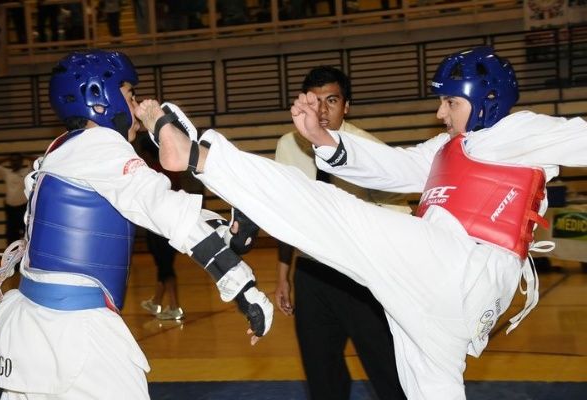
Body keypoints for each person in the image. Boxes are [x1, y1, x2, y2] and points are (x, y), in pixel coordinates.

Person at [136, 46, 587, 399]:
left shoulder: (517, 132)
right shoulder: (444, 150)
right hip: (440, 299)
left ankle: (199, 156)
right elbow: (393, 166)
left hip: (463, 265)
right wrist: (322, 138)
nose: (440, 114)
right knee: (429, 391)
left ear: (486, 101)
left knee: (336, 215)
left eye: (450, 102)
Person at [0, 50, 272, 400]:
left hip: (31, 329)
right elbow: (164, 209)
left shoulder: (60, 150)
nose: (137, 105)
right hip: (80, 336)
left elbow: (144, 207)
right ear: (100, 97)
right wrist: (244, 287)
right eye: (130, 93)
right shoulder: (103, 146)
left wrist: (222, 230)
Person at [274, 65, 406, 400]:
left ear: (345, 106)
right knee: (321, 375)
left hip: (362, 274)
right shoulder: (288, 146)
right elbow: (288, 216)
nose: (322, 110)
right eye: (314, 101)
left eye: (331, 101)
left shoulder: (368, 148)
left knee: (387, 370)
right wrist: (283, 274)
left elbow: (399, 212)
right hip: (312, 274)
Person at [139, 138, 184, 320]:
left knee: (165, 266)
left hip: (159, 225)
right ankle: (156, 302)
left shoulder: (154, 172)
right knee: (163, 265)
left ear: (148, 154)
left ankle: (175, 306)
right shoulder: (169, 168)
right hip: (169, 223)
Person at [0, 153, 35, 246]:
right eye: (13, 160)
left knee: (27, 230)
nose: (15, 162)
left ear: (21, 161)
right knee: (11, 233)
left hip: (24, 207)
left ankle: (27, 254)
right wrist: (7, 157)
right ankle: (11, 256)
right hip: (10, 207)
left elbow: (39, 160)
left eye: (17, 160)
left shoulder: (27, 170)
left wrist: (25, 156)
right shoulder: (6, 172)